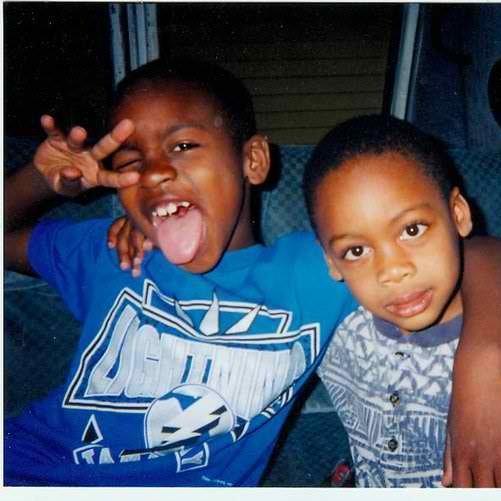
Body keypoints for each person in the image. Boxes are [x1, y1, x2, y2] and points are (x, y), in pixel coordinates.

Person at [4, 58, 501, 487]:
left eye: (182, 146)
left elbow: (466, 251)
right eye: (132, 161)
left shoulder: (320, 268)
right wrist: (38, 181)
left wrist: (485, 357)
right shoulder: (110, 252)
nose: (154, 173)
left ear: (254, 161)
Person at [301, 114, 498, 487]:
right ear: (331, 261)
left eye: (412, 229)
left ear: (458, 214)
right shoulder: (337, 324)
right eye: (356, 250)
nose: (391, 270)